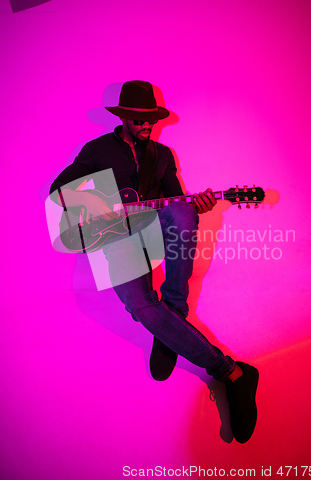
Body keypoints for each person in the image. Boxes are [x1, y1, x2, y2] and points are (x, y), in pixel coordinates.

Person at [50, 80, 259, 443]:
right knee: (141, 307)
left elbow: (178, 204)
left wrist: (199, 205)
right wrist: (95, 204)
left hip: (156, 233)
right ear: (124, 117)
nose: (147, 125)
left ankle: (172, 323)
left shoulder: (161, 155)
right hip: (116, 239)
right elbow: (59, 190)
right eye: (139, 119)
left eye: (152, 119)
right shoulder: (97, 150)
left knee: (180, 209)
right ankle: (230, 371)